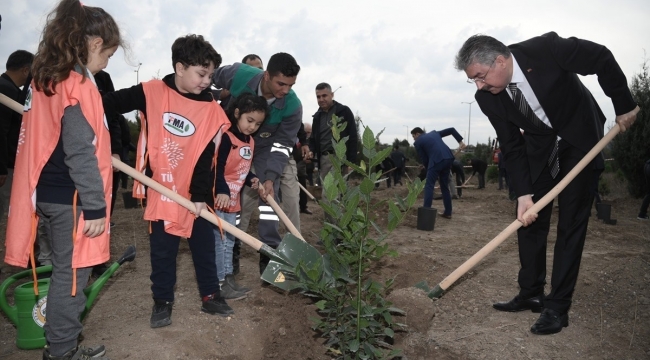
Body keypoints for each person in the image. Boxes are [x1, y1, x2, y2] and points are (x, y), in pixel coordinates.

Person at [455, 32, 639, 335]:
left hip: (579, 138)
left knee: (570, 222)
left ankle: (557, 306)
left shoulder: (547, 49)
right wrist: (524, 194)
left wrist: (623, 104)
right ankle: (531, 292)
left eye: (480, 77)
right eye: (472, 80)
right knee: (527, 219)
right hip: (540, 148)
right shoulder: (487, 97)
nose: (479, 86)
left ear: (500, 61)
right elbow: (512, 145)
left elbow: (600, 58)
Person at [4, 1, 124, 358]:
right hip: (71, 198)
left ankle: (62, 340)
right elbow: (77, 151)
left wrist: (109, 155)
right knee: (72, 277)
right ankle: (61, 351)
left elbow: (70, 142)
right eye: (109, 54)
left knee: (64, 272)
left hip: (53, 193)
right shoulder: (75, 83)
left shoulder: (49, 78)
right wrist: (95, 205)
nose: (106, 63)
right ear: (94, 43)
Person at [102, 34, 233, 327]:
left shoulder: (210, 108)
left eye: (210, 75)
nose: (206, 81)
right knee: (163, 250)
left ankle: (211, 295)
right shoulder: (152, 92)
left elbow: (203, 155)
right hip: (161, 188)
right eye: (201, 74)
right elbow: (106, 104)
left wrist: (199, 196)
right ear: (179, 67)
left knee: (204, 245)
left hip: (196, 192)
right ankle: (162, 302)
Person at [213, 52, 304, 275]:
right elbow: (206, 77)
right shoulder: (238, 74)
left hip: (265, 148)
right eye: (281, 84)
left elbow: (282, 146)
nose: (285, 90)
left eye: (290, 85)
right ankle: (229, 248)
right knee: (231, 195)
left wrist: (270, 177)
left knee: (270, 199)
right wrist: (214, 95)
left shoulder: (293, 106)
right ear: (266, 76)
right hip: (231, 141)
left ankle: (269, 251)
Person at [213, 94, 267, 299]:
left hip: (234, 199)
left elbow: (241, 170)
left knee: (230, 241)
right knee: (220, 240)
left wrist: (251, 178)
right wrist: (222, 191)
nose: (253, 127)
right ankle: (219, 282)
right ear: (237, 114)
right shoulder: (227, 138)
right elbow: (217, 167)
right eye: (249, 120)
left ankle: (228, 278)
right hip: (221, 199)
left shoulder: (250, 142)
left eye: (258, 123)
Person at [0, 50, 33, 218]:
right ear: (26, 70)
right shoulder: (6, 91)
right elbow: (1, 131)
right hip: (6, 166)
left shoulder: (9, 88)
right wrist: (2, 168)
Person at [411, 127, 465, 219]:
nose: (413, 138)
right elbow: (451, 130)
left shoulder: (418, 142)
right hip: (448, 158)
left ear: (417, 134)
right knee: (444, 186)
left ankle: (426, 214)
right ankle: (448, 212)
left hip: (436, 161)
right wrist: (460, 142)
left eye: (413, 136)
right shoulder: (434, 133)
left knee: (429, 185)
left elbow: (424, 158)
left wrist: (428, 170)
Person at [309, 82, 357, 180]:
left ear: (332, 95)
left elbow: (352, 136)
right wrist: (311, 150)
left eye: (324, 96)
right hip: (323, 159)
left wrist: (351, 162)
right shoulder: (317, 116)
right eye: (318, 97)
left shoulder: (343, 111)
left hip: (339, 157)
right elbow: (313, 138)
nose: (321, 99)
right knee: (329, 192)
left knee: (333, 192)